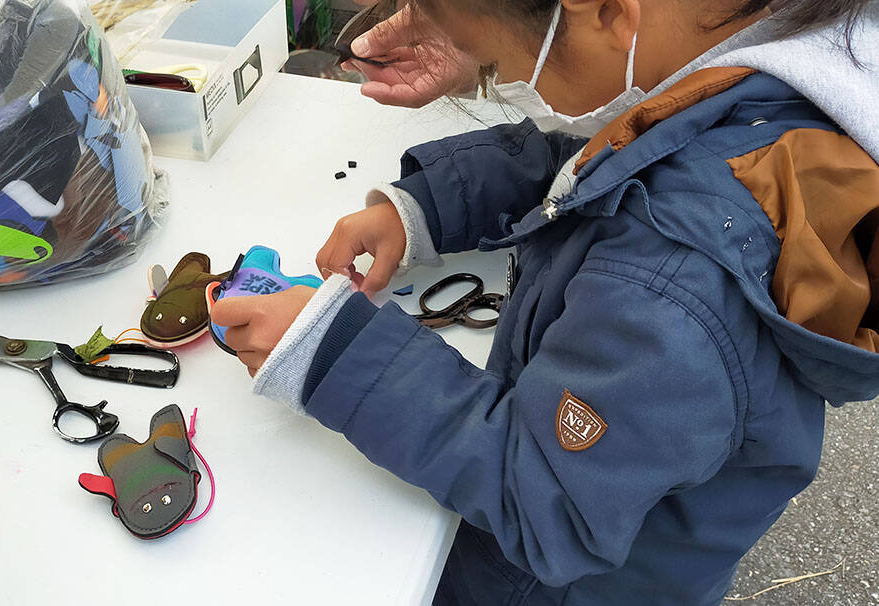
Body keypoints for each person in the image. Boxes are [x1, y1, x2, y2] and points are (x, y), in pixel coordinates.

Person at [212, 1, 879, 603]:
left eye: (498, 67)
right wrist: (427, 206)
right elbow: (602, 156)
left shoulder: (669, 282)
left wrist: (331, 351)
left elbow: (546, 501)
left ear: (609, 13)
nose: (502, 85)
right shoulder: (753, 56)